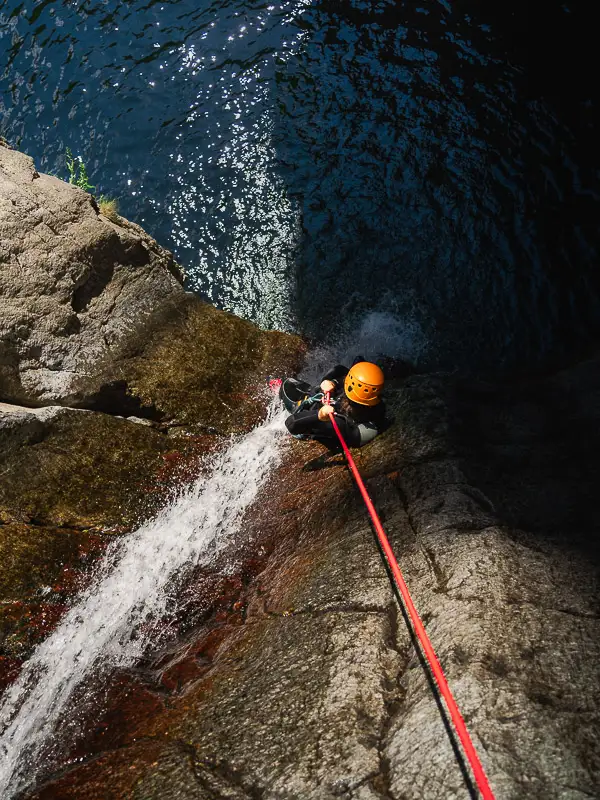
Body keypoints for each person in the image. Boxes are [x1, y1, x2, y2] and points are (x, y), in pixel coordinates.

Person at [280, 361, 386, 448]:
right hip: (332, 401)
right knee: (344, 367)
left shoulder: (338, 422)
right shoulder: (375, 405)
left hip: (308, 414)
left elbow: (291, 423)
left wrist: (319, 415)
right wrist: (333, 383)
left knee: (287, 383)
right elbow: (341, 371)